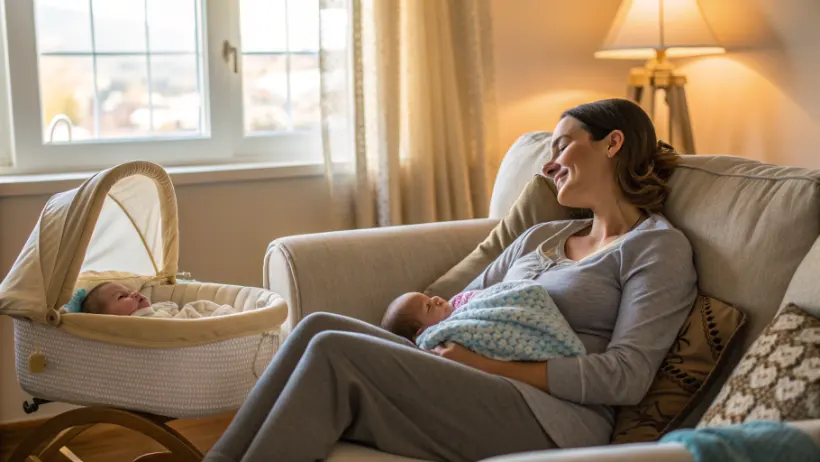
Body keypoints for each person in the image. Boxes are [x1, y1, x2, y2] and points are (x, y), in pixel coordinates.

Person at [204, 98, 698, 462]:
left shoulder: (657, 247)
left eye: (563, 145)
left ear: (613, 143)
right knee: (317, 326)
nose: (549, 165)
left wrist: (489, 365)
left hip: (552, 417)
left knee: (335, 349)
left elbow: (627, 376)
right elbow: (464, 306)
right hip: (471, 379)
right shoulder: (541, 236)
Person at [381, 281, 587, 362]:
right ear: (422, 332)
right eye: (428, 307)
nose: (435, 299)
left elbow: (490, 299)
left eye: (429, 298)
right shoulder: (439, 337)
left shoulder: (460, 302)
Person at [65, 282, 236, 318]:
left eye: (129, 291)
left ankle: (222, 315)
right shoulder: (129, 327)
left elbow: (171, 308)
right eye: (122, 297)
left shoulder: (153, 308)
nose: (133, 294)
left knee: (199, 307)